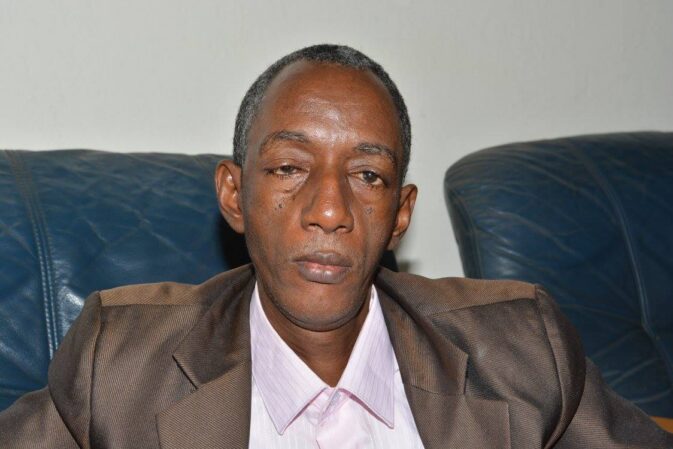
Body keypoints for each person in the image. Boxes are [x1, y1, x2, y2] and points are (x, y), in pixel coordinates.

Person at [0, 44, 671, 449]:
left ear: (400, 214)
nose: (329, 210)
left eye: (367, 176)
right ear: (234, 195)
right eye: (289, 168)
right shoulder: (120, 361)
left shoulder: (521, 348)